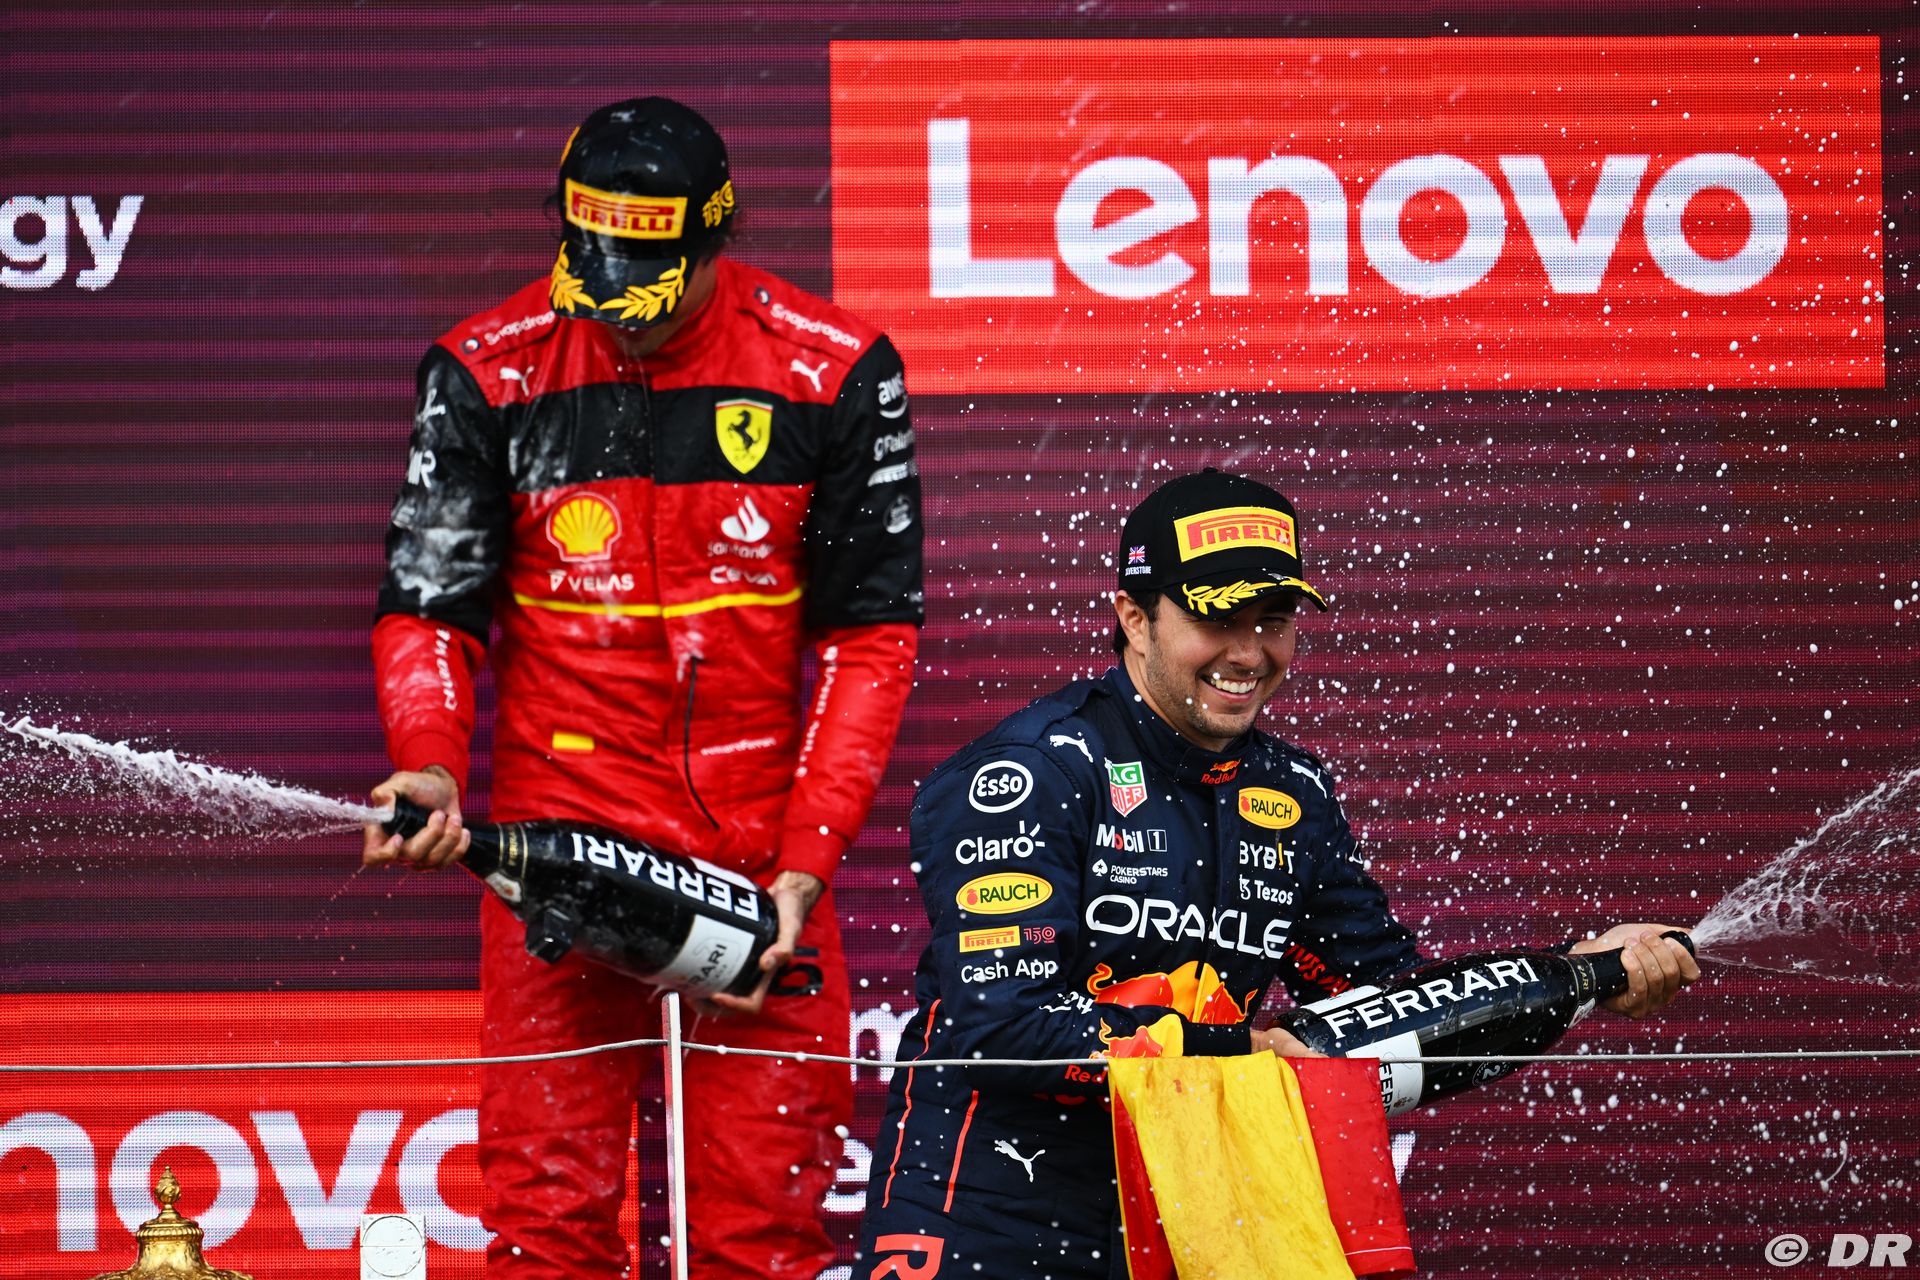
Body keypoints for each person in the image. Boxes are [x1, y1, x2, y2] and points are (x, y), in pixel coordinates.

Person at [857, 469, 1695, 1278]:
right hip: (990, 1216)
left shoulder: (1291, 792)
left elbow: (1388, 1002)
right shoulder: (1034, 772)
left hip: (1196, 1213)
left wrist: (1576, 976)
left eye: (1275, 619)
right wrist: (1241, 1049)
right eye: (1218, 618)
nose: (1250, 652)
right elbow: (1004, 1031)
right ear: (1135, 619)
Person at [361, 97, 923, 1279]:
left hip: (759, 858)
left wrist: (805, 863)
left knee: (761, 1238)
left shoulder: (832, 370)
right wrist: (428, 762)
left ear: (714, 238)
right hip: (554, 851)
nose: (618, 307)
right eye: (594, 270)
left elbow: (868, 639)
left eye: (647, 284)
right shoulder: (486, 369)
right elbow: (431, 608)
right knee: (546, 1230)